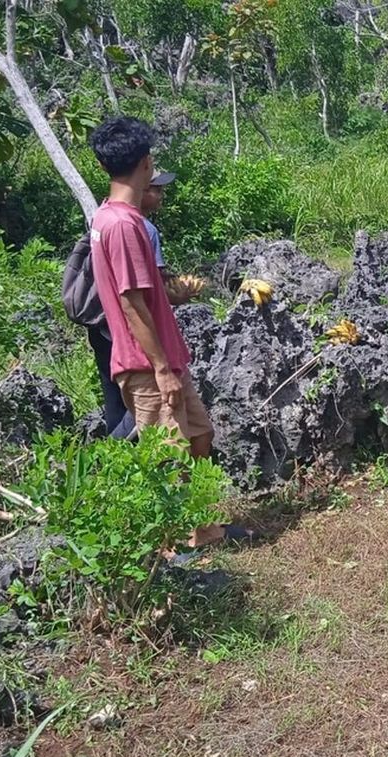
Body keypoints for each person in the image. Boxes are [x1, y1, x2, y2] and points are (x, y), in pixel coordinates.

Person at [87, 116, 248, 553]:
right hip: (147, 364)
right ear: (144, 162)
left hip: (166, 358)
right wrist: (161, 369)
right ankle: (167, 549)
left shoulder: (119, 219)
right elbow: (131, 303)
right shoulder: (120, 225)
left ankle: (205, 530)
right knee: (167, 455)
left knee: (199, 436)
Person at [87, 169, 187, 439]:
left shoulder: (103, 216)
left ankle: (112, 455)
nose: (161, 195)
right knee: (148, 418)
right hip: (138, 341)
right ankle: (108, 458)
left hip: (105, 328)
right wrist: (162, 367)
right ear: (142, 187)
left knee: (116, 403)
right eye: (156, 189)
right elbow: (141, 295)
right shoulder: (137, 228)